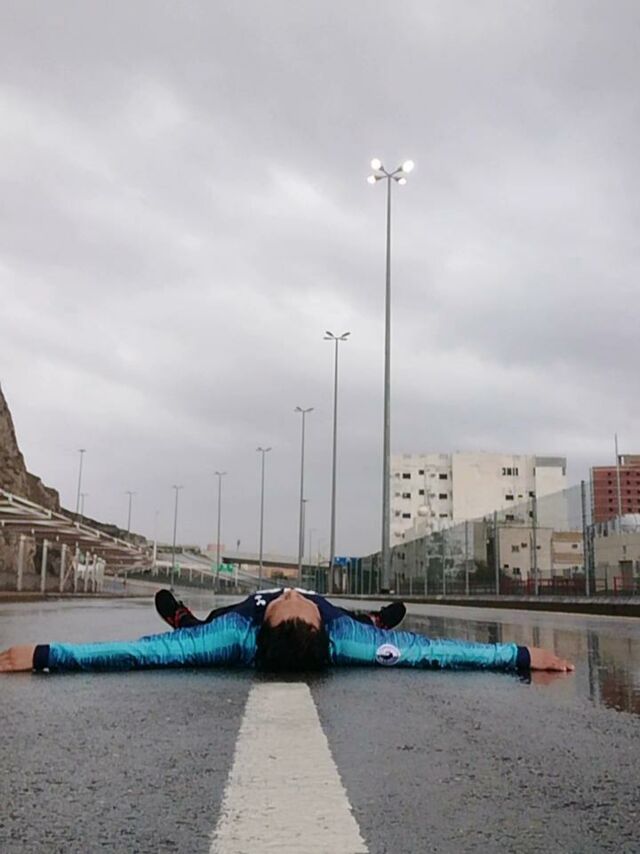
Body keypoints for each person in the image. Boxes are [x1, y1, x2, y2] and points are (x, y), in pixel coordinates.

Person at [0, 587, 574, 674]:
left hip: (225, 623)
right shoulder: (344, 638)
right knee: (385, 637)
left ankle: (183, 621)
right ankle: (375, 619)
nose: (292, 592)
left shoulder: (238, 633)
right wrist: (521, 656)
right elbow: (438, 653)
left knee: (186, 641)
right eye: (298, 601)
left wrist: (45, 654)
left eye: (287, 601)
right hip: (352, 626)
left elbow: (134, 654)